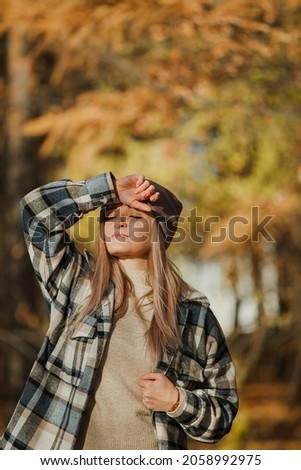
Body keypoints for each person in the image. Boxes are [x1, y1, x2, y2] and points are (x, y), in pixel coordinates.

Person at [0, 172, 238, 450]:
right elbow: (35, 211)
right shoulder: (77, 282)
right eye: (110, 217)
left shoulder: (193, 314)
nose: (119, 224)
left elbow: (222, 414)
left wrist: (177, 401)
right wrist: (109, 189)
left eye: (135, 218)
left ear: (159, 232)